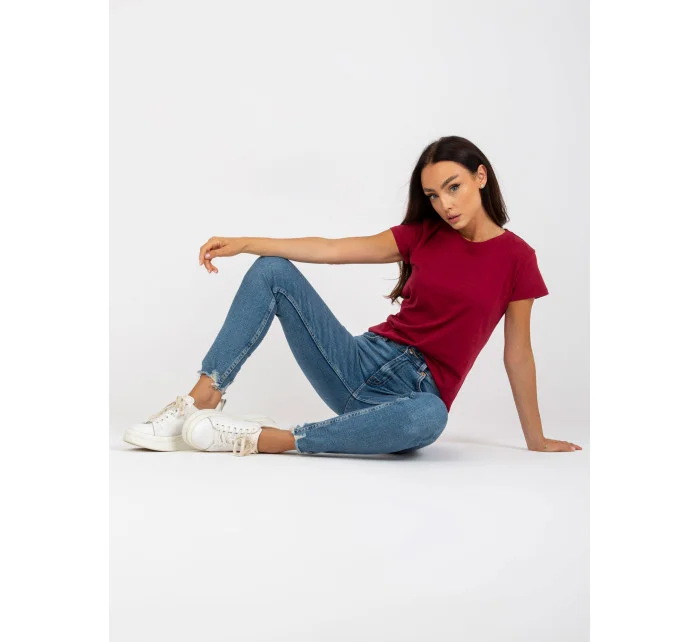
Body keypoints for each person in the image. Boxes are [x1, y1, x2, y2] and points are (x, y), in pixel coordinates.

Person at [123, 135, 582, 457]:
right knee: (272, 271)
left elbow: (518, 354)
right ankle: (200, 401)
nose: (445, 204)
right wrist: (246, 242)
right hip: (356, 362)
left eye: (454, 187)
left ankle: (268, 439)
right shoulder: (423, 234)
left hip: (413, 398)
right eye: (433, 195)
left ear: (481, 177)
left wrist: (536, 439)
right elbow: (332, 249)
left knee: (431, 418)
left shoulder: (518, 258)